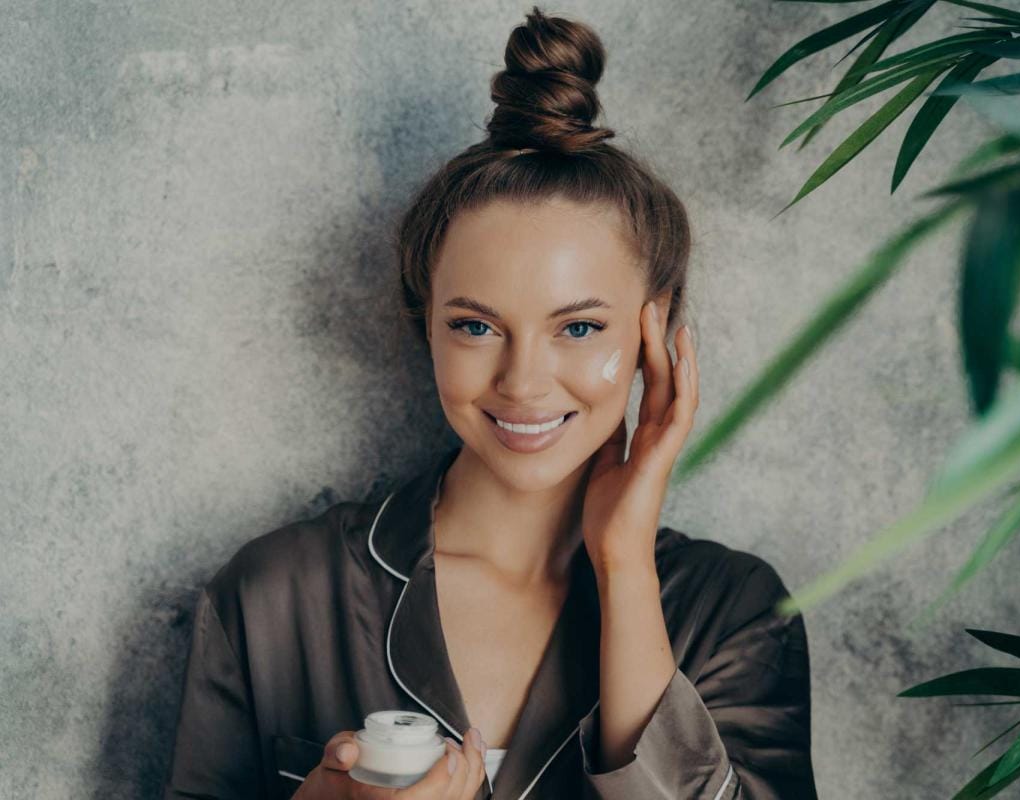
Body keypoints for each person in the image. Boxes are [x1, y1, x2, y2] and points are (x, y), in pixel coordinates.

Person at [162, 6, 818, 800]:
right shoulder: (272, 597)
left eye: (579, 326)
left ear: (658, 326)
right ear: (424, 323)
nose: (523, 381)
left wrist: (624, 567)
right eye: (476, 325)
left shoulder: (736, 612)